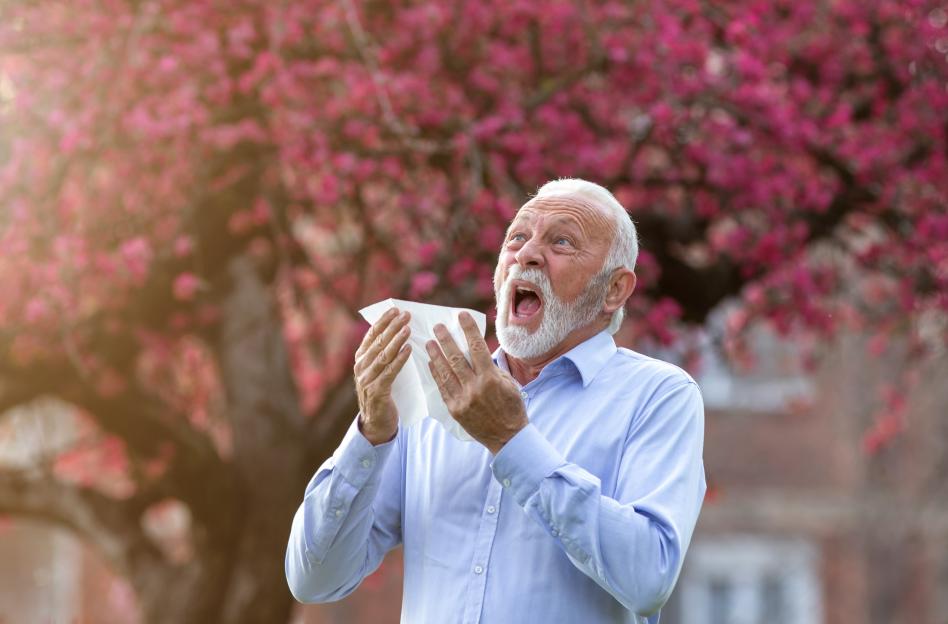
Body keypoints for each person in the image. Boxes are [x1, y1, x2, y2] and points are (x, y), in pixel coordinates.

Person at [285, 178, 706, 624]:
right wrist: (370, 433)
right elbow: (315, 579)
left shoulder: (659, 396)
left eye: (562, 241)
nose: (527, 254)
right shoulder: (430, 396)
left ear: (615, 290)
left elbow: (648, 578)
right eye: (517, 238)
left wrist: (512, 441)